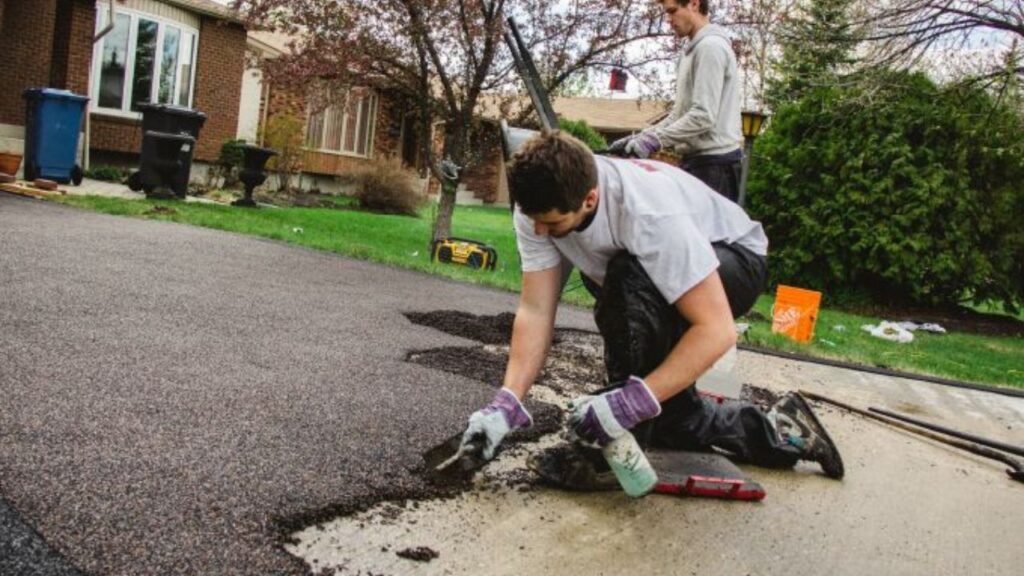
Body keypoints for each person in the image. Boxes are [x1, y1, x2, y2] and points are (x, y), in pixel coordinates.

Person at [459, 131, 843, 480]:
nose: (540, 231)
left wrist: (628, 405)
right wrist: (506, 403)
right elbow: (537, 310)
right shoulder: (540, 206)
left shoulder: (646, 212)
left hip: (734, 262)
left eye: (553, 224)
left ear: (590, 198)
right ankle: (784, 429)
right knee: (670, 415)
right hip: (646, 276)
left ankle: (616, 450)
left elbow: (717, 330)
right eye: (533, 220)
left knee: (626, 277)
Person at [609, 0, 744, 203]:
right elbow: (680, 113)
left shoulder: (710, 48)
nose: (669, 20)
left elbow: (703, 116)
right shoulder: (691, 50)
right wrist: (643, 137)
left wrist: (656, 140)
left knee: (707, 236)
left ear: (694, 4)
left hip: (716, 167)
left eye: (672, 11)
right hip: (698, 163)